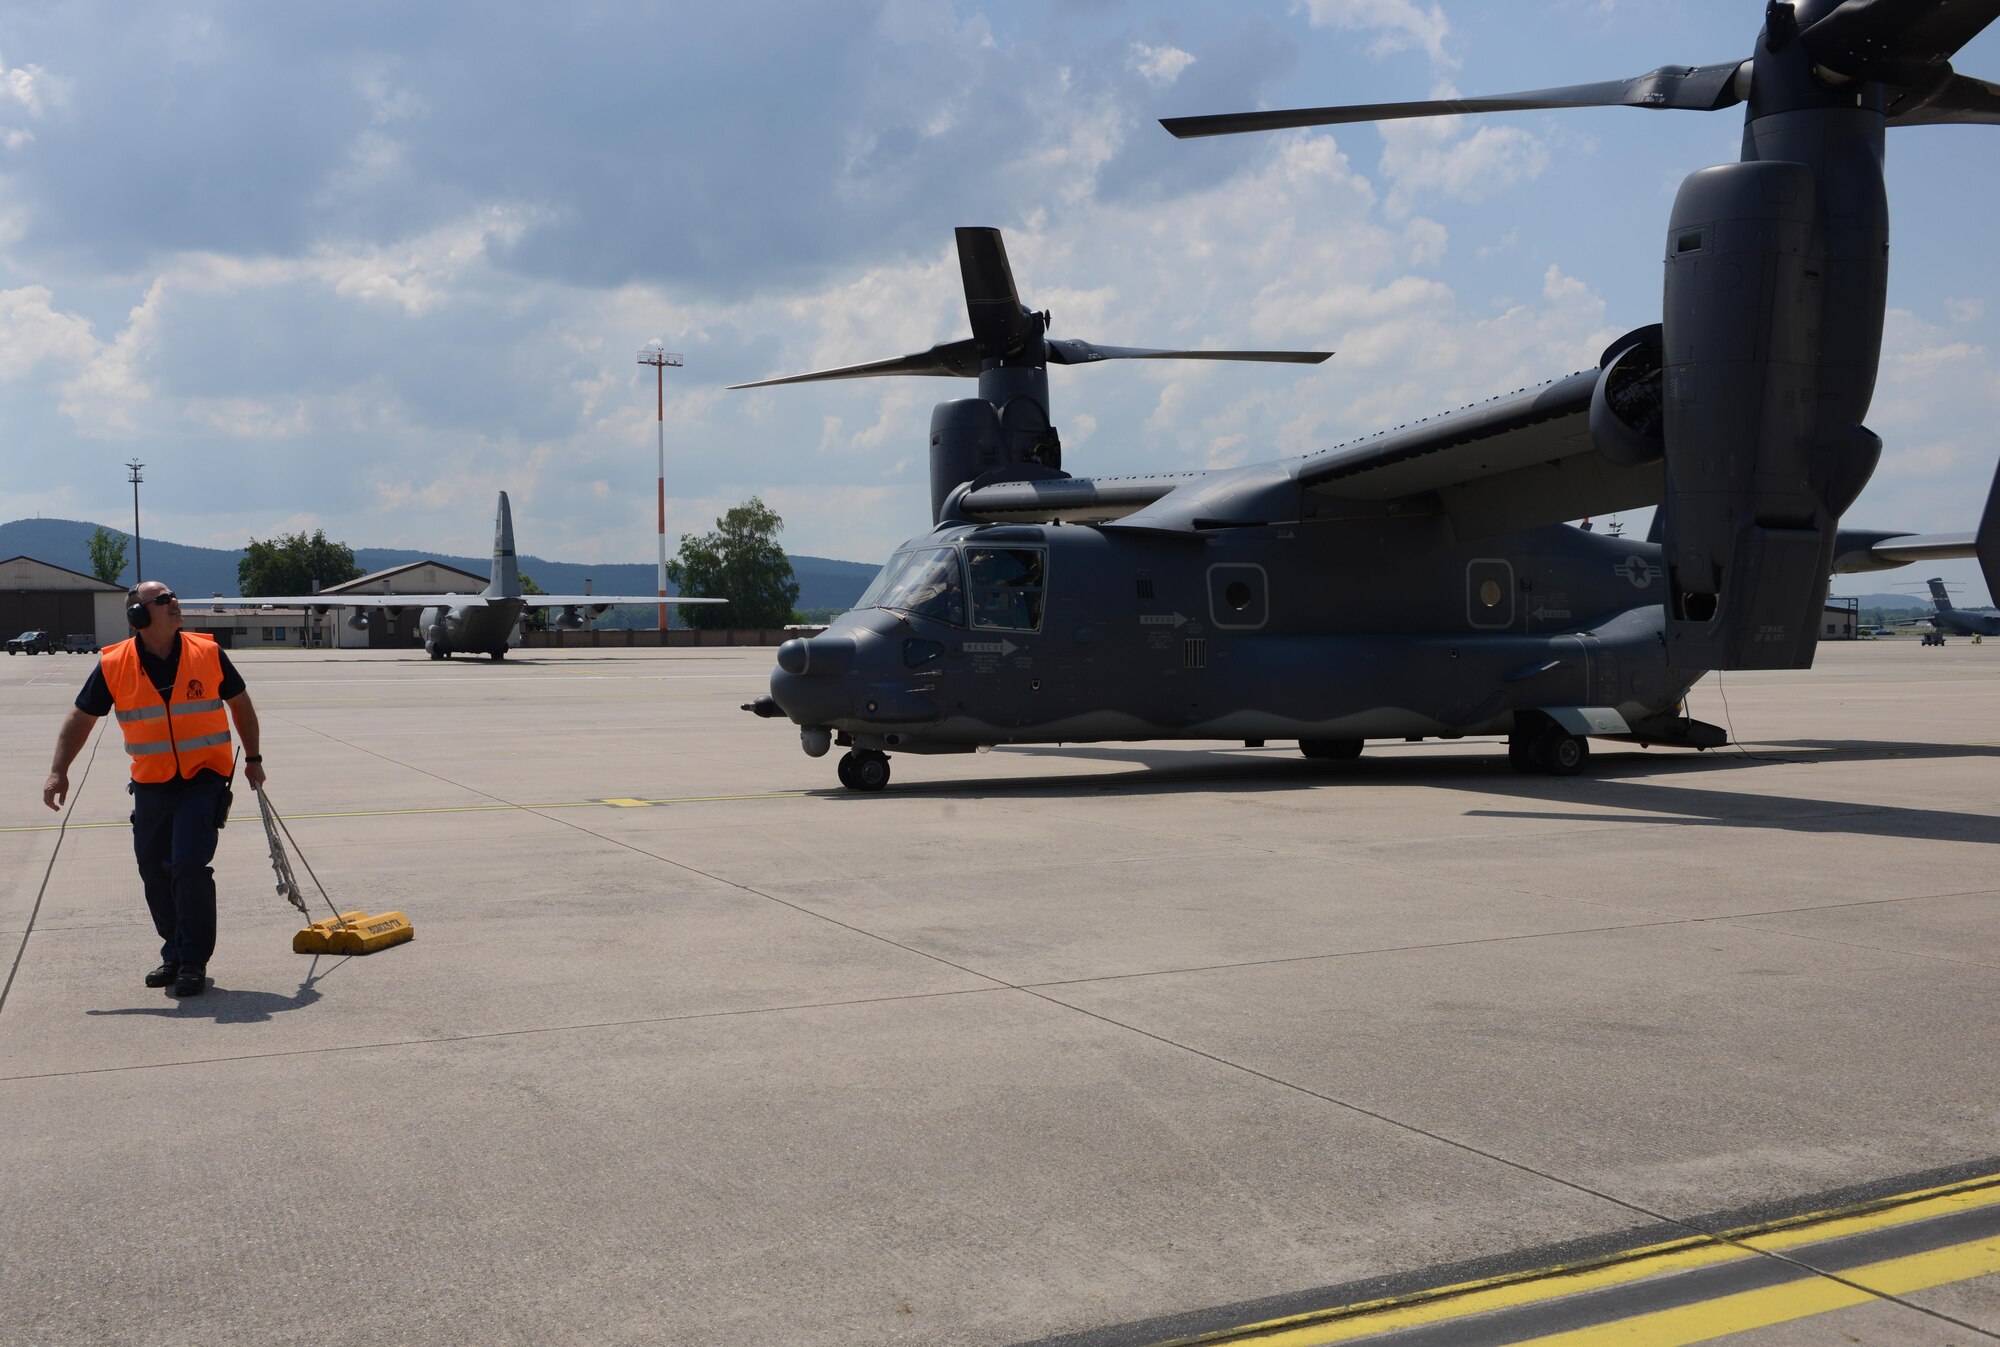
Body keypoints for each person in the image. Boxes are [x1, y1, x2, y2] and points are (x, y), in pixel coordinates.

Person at [41, 581, 266, 998]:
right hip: (150, 783)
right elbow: (82, 717)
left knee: (188, 866)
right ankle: (175, 953)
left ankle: (193, 960)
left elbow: (240, 704)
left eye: (174, 596)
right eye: (164, 600)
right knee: (153, 870)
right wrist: (59, 770)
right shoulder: (114, 663)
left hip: (204, 777)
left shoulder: (208, 652)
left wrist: (252, 759)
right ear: (139, 617)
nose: (175, 602)